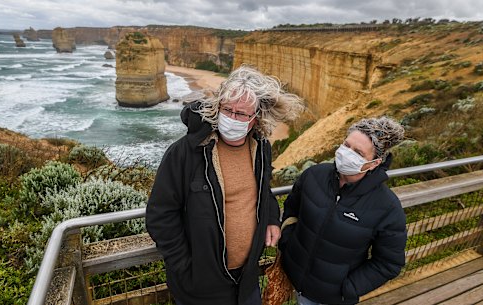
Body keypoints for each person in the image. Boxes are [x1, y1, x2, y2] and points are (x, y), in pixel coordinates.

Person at [146, 64, 304, 305]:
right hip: (199, 287)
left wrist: (272, 218)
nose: (232, 118)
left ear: (255, 117)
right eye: (227, 109)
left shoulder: (260, 148)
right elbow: (160, 215)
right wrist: (186, 269)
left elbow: (263, 190)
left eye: (241, 113)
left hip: (247, 280)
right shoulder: (186, 153)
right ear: (217, 107)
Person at [279, 117, 407, 305]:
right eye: (346, 145)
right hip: (293, 279)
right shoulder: (314, 175)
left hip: (330, 299)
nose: (347, 153)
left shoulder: (387, 207)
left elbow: (389, 263)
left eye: (358, 152)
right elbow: (292, 209)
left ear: (374, 163)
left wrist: (347, 288)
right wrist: (287, 242)